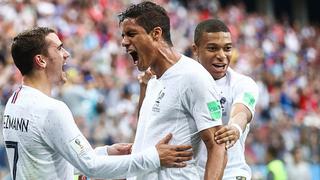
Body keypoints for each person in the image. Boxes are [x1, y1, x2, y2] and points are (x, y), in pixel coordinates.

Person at [2, 27, 194, 180]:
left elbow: (50, 161)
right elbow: (91, 167)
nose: (66, 54)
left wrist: (107, 152)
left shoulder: (14, 102)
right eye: (59, 48)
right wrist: (154, 157)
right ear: (41, 61)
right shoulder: (51, 110)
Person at [119, 1, 227, 180]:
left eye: (131, 34)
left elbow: (218, 146)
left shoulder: (193, 77)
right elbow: (146, 134)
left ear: (156, 34)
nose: (124, 42)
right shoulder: (153, 81)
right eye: (123, 35)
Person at [192, 19, 259, 179]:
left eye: (227, 48)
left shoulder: (243, 83)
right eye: (212, 48)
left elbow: (242, 112)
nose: (221, 55)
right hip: (192, 174)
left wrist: (235, 127)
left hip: (232, 174)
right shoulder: (183, 84)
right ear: (196, 49)